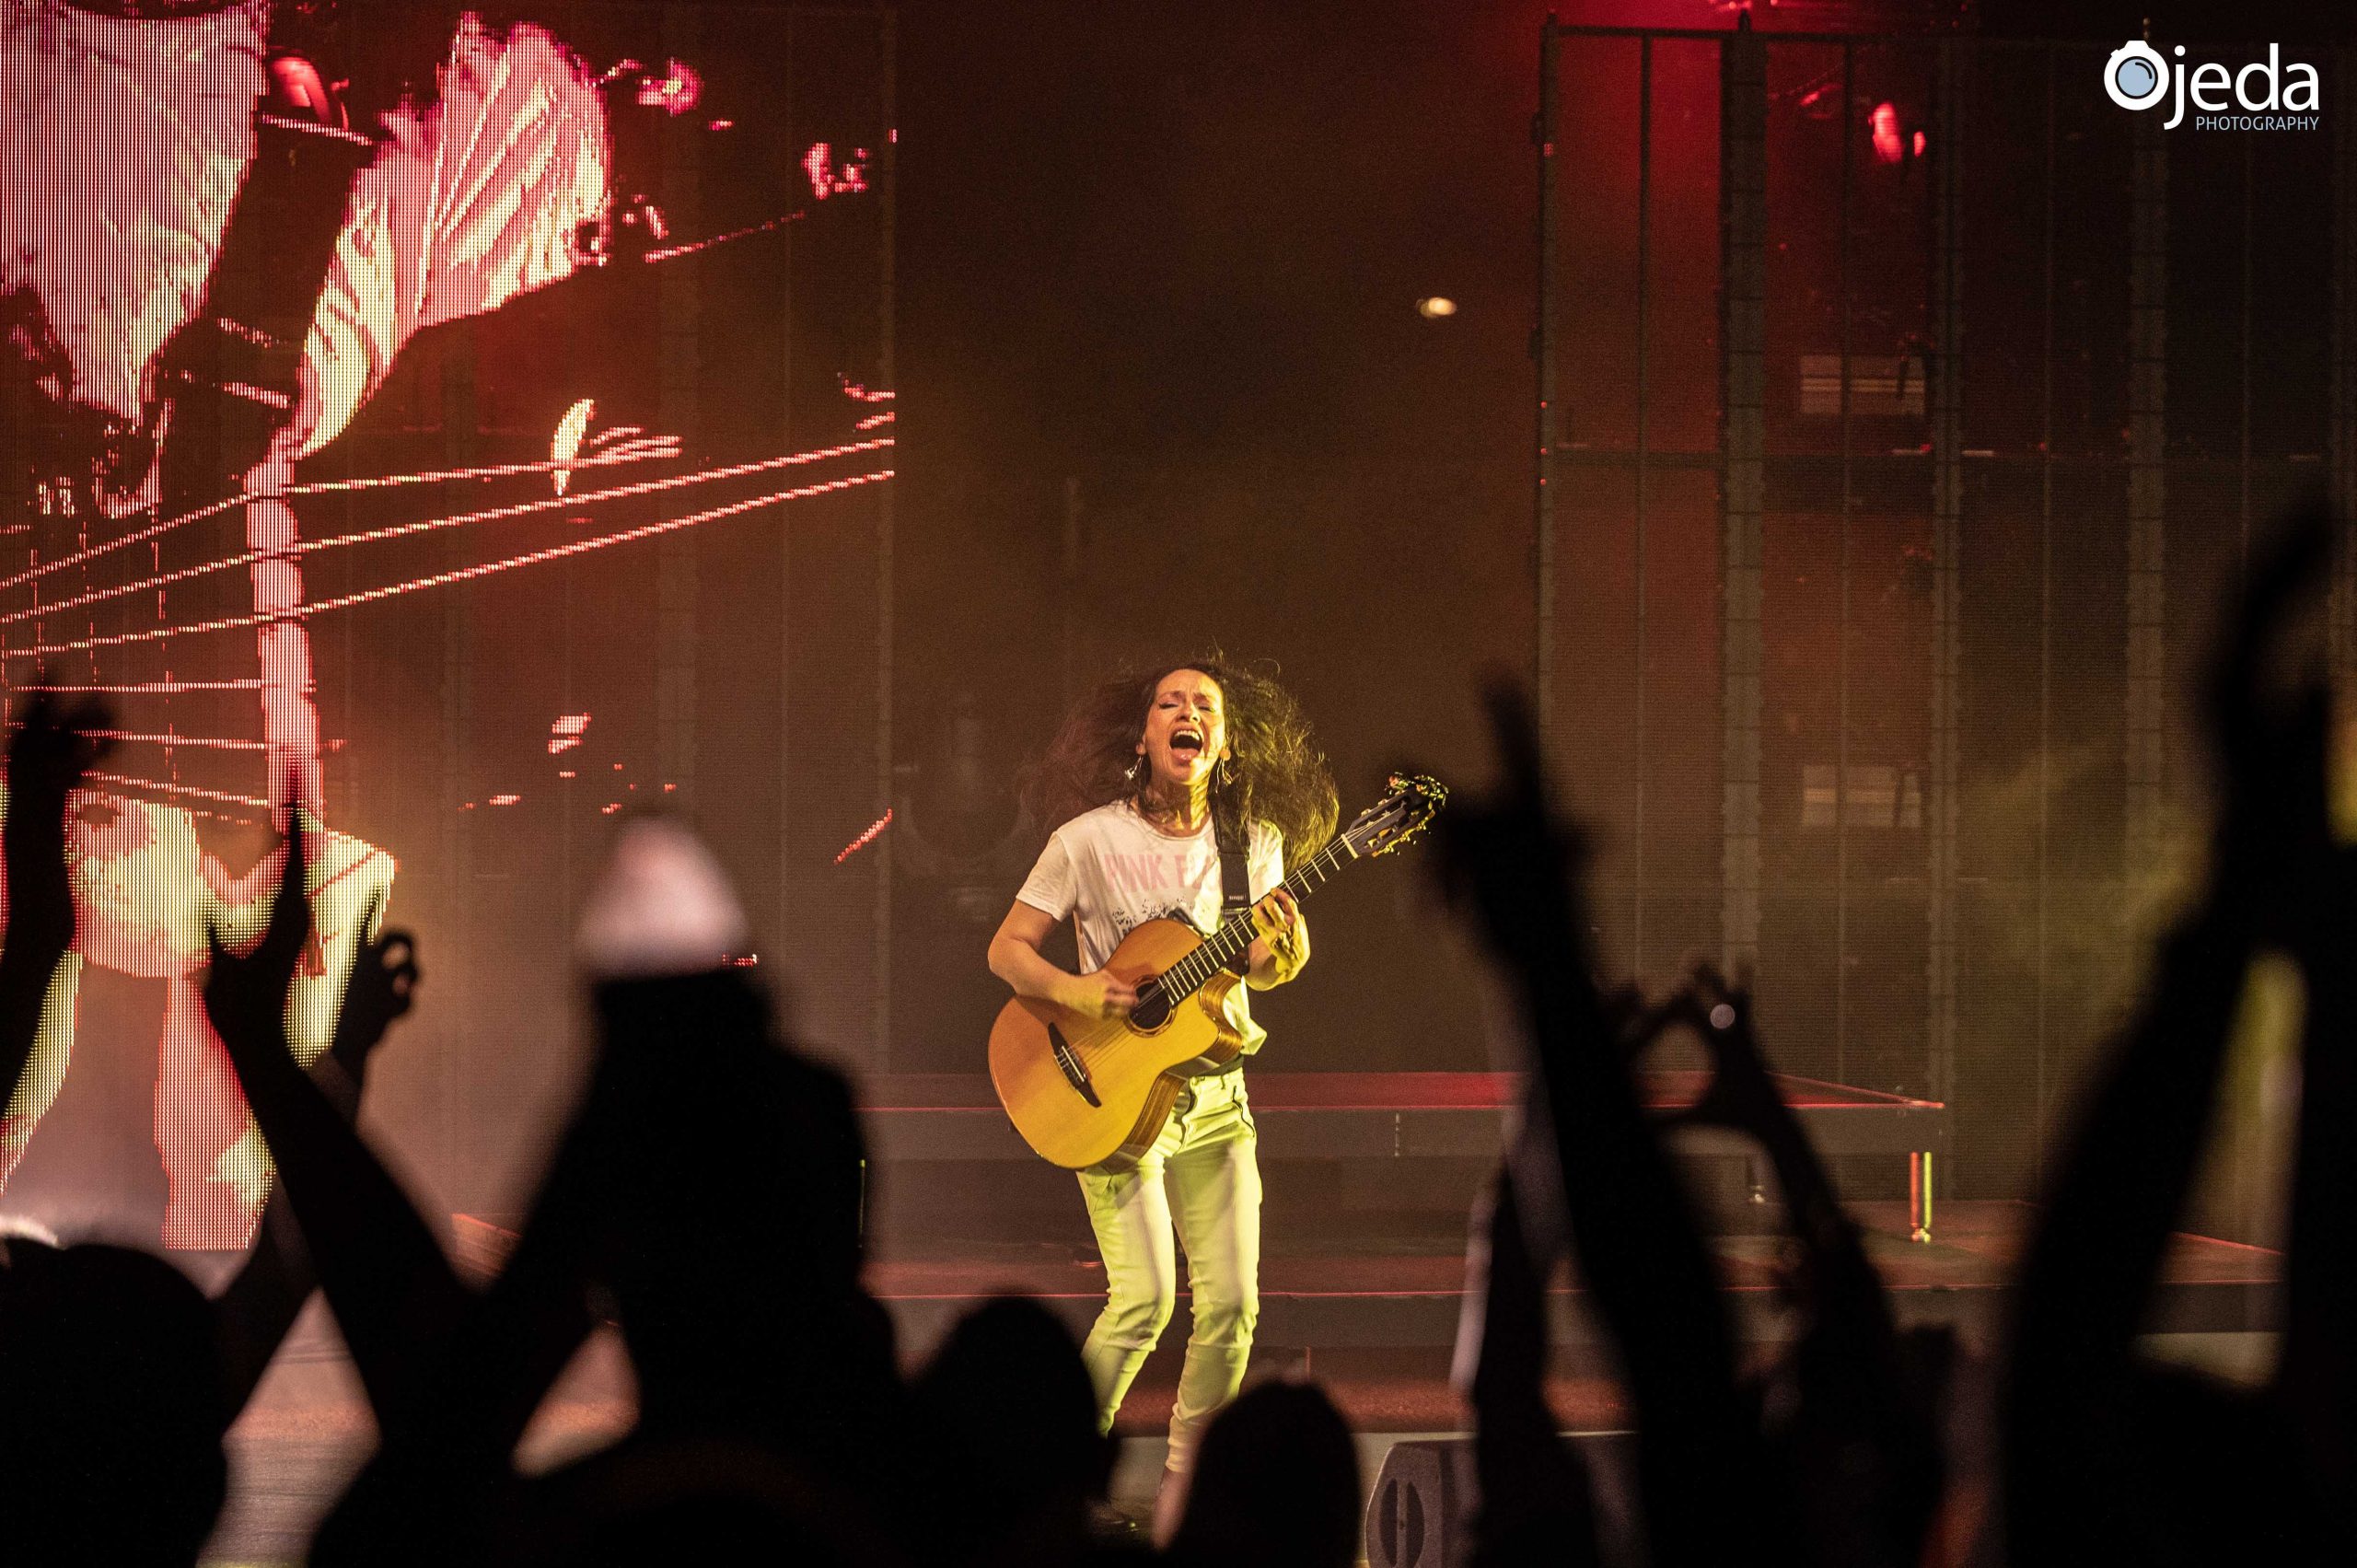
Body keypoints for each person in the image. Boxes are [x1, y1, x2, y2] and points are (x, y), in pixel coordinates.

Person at [987, 658, 1336, 1534]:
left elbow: (1262, 964)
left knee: (1231, 1306)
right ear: (1143, 734)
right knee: (1141, 1299)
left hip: (1218, 1097)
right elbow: (1009, 951)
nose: (1188, 713)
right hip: (1108, 1087)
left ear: (1222, 741)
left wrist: (1285, 954)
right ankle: (1053, 1480)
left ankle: (1189, 1491)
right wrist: (1078, 991)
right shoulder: (1087, 840)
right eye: (1170, 702)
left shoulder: (1250, 843)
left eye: (1205, 706)